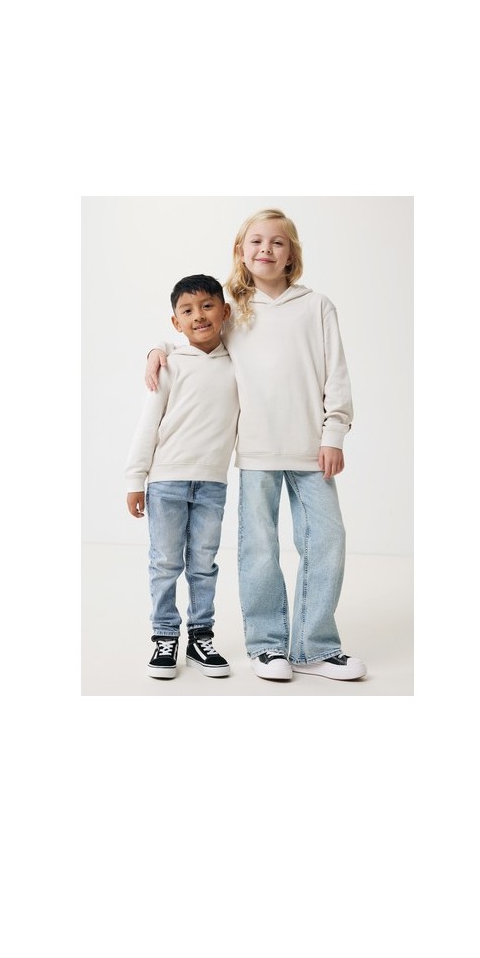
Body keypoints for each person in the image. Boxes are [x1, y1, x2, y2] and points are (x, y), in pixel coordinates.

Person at [145, 210, 366, 681]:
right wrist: (157, 348)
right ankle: (267, 647)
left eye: (277, 242)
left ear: (291, 254)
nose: (266, 249)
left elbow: (337, 374)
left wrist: (334, 433)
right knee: (260, 549)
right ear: (241, 253)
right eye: (256, 242)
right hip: (256, 452)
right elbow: (195, 332)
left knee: (327, 542)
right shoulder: (233, 311)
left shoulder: (317, 306)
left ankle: (315, 647)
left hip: (313, 449)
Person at [125, 274, 239, 680]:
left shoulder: (238, 363)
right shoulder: (169, 363)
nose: (199, 316)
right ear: (176, 322)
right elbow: (148, 423)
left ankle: (200, 637)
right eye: (187, 311)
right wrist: (135, 479)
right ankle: (164, 635)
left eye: (207, 306)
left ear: (225, 312)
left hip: (212, 482)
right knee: (165, 562)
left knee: (204, 564)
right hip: (166, 481)